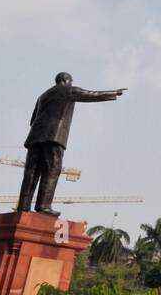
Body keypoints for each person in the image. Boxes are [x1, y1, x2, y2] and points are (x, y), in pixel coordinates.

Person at [18, 73, 125, 216]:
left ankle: (23, 206)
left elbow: (33, 120)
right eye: (71, 81)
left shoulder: (42, 96)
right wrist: (114, 93)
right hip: (54, 136)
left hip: (34, 138)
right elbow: (91, 94)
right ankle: (43, 206)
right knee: (52, 170)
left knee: (31, 173)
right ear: (65, 80)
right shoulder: (68, 90)